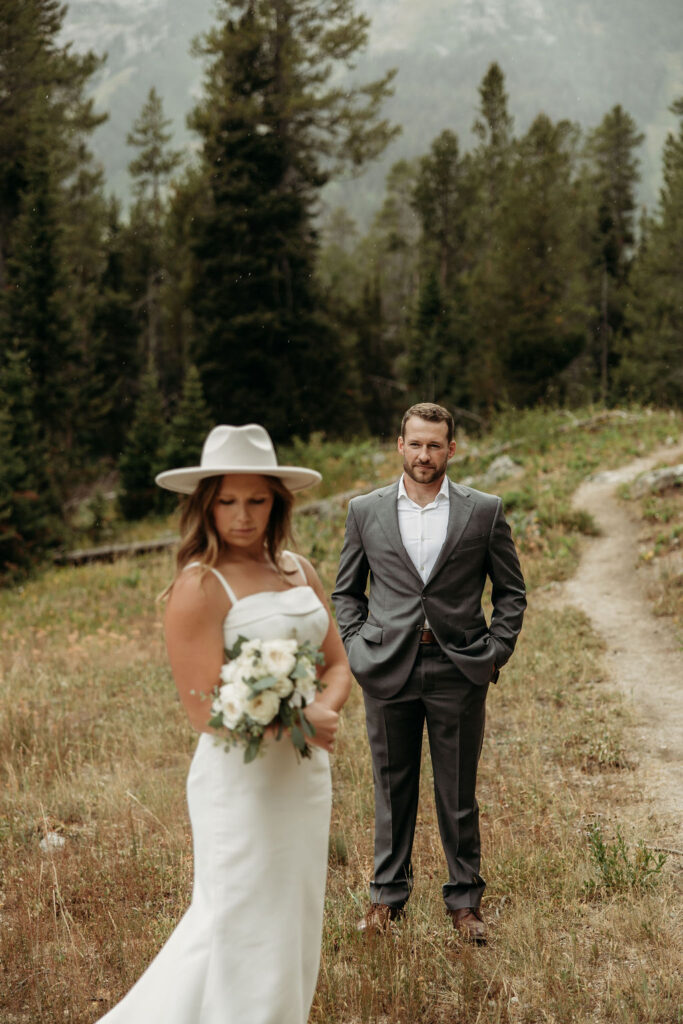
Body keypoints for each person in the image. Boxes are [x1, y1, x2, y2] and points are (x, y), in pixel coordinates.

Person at [96, 423, 351, 1024]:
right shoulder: (199, 586)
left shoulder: (300, 570)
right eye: (228, 502)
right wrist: (295, 723)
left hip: (304, 779)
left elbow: (337, 663)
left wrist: (323, 711)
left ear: (277, 503)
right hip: (240, 784)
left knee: (291, 921)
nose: (242, 516)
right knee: (237, 922)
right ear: (206, 505)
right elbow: (201, 709)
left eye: (256, 501)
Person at [332, 402, 526, 944]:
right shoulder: (365, 510)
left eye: (434, 445)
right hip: (386, 665)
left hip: (457, 667)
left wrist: (494, 651)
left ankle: (464, 904)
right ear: (400, 445)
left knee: (457, 793)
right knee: (391, 789)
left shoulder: (482, 510)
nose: (424, 455)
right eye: (415, 444)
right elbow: (346, 591)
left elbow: (511, 591)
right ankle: (385, 901)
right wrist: (356, 646)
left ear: (451, 449)